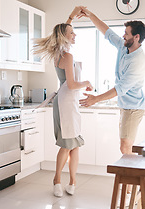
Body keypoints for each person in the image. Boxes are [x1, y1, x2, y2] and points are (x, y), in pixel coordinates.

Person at [33, 6, 93, 197]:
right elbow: (73, 84)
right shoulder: (67, 56)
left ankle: (73, 182)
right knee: (67, 145)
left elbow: (63, 28)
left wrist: (71, 16)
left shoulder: (60, 53)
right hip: (66, 103)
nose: (74, 34)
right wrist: (88, 82)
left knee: (74, 144)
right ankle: (57, 180)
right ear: (64, 36)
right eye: (71, 32)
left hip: (69, 103)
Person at [79, 7, 145, 155]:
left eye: (126, 33)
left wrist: (96, 99)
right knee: (125, 146)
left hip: (133, 108)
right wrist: (91, 15)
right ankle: (131, 175)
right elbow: (107, 32)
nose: (123, 36)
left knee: (125, 147)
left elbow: (120, 88)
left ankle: (134, 176)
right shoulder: (124, 47)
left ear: (136, 37)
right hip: (125, 106)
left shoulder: (138, 61)